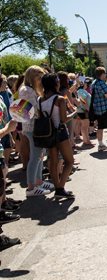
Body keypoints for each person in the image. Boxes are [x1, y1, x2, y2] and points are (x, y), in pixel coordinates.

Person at [19, 66, 53, 197]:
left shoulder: (30, 89)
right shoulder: (26, 90)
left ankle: (38, 182)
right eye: (38, 77)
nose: (40, 80)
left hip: (35, 126)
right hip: (32, 126)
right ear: (31, 77)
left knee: (39, 156)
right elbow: (33, 109)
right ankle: (31, 187)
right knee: (35, 156)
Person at [39, 73, 75, 199]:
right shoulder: (60, 99)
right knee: (70, 161)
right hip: (60, 132)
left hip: (47, 133)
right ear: (55, 83)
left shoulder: (40, 100)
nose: (59, 82)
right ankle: (60, 187)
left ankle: (58, 187)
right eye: (58, 80)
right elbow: (64, 119)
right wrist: (74, 113)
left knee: (53, 162)